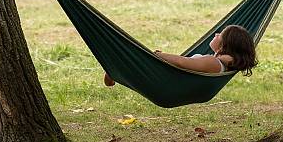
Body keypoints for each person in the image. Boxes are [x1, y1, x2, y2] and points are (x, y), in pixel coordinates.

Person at [103, 24, 257, 86]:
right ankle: (115, 71)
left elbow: (181, 62)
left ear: (225, 45)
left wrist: (157, 55)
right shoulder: (224, 63)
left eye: (220, 34)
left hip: (167, 83)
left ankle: (115, 70)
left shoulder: (213, 63)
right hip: (173, 81)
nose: (216, 34)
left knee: (131, 54)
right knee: (135, 58)